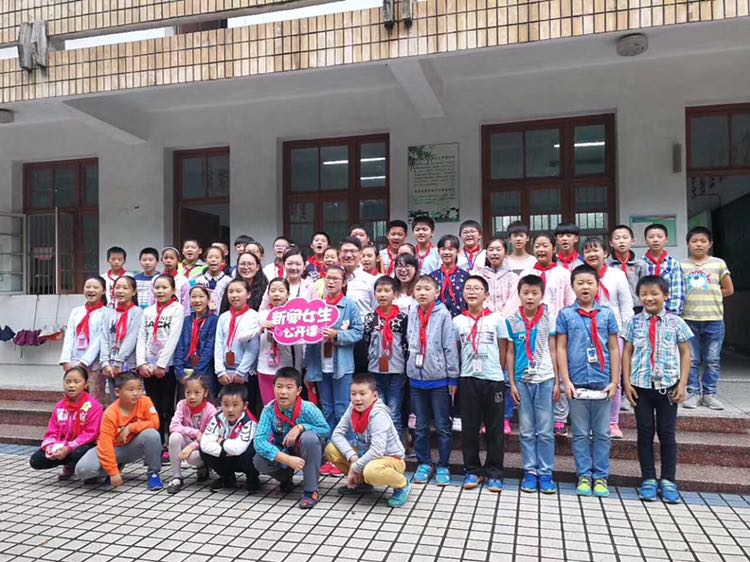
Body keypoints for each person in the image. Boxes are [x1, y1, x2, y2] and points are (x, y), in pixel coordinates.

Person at [622, 275, 693, 504]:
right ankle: (649, 479)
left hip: (668, 387)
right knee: (644, 433)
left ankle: (669, 480)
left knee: (667, 434)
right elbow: (627, 352)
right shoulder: (633, 322)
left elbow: (685, 353)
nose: (649, 298)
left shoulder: (676, 322)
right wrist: (626, 383)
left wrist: (682, 384)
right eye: (644, 294)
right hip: (641, 387)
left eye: (654, 293)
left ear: (666, 296)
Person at [557, 264, 620, 498]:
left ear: (597, 286)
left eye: (590, 283)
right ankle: (584, 475)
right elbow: (561, 348)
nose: (585, 287)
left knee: (602, 433)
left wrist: (615, 381)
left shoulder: (607, 314)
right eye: (580, 283)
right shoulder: (565, 315)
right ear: (572, 286)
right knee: (581, 433)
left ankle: (601, 477)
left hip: (603, 380)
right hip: (577, 381)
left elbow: (614, 348)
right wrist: (566, 381)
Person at [304, 265, 363, 475]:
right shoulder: (317, 306)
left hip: (342, 367)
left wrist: (337, 335)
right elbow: (307, 337)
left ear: (344, 282)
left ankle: (346, 455)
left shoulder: (350, 305)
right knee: (326, 410)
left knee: (343, 409)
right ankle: (329, 456)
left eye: (336, 279)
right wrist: (308, 368)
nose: (331, 282)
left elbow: (358, 332)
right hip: (320, 367)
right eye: (328, 278)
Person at [453, 275, 508, 492]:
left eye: (477, 288)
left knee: (495, 429)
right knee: (469, 428)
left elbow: (503, 348)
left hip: (493, 379)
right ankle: (472, 470)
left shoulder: (497, 319)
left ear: (486, 295)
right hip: (468, 379)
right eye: (468, 288)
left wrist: (498, 370)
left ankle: (494, 472)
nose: (472, 292)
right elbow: (457, 349)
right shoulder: (457, 321)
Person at [325, 373, 411, 508]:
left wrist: (355, 467)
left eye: (362, 394)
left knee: (371, 470)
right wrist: (353, 457)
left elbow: (377, 451)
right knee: (331, 449)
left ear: (374, 395)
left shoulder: (378, 414)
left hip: (391, 459)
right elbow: (337, 434)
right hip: (365, 454)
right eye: (353, 394)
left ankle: (402, 484)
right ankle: (361, 484)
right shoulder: (352, 408)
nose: (357, 399)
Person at [506, 275, 558, 494]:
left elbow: (554, 349)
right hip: (522, 381)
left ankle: (545, 473)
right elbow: (510, 352)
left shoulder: (549, 318)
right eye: (525, 293)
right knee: (526, 430)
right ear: (519, 294)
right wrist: (512, 382)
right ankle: (530, 472)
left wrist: (557, 381)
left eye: (534, 293)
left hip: (545, 379)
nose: (530, 297)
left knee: (545, 430)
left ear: (542, 295)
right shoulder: (512, 320)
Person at [521, 232, 575, 436]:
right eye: (537, 246)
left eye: (545, 245)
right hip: (531, 327)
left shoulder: (563, 273)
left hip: (556, 327)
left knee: (559, 369)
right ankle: (537, 416)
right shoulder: (527, 272)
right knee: (535, 371)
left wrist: (567, 326)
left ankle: (560, 417)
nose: (541, 250)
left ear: (554, 248)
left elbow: (570, 301)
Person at [253, 367, 331, 509]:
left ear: (298, 390)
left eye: (289, 387)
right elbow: (259, 441)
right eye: (279, 386)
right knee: (259, 460)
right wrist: (287, 459)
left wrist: (301, 427)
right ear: (273, 388)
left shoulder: (308, 408)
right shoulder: (269, 410)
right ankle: (285, 477)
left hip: (310, 452)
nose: (283, 392)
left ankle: (311, 490)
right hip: (285, 452)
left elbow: (326, 430)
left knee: (309, 438)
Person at [407, 275, 459, 486]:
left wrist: (453, 377)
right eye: (418, 288)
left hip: (439, 379)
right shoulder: (412, 311)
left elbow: (449, 346)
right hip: (415, 378)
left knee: (442, 425)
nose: (422, 292)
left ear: (436, 292)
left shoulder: (443, 314)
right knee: (420, 425)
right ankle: (424, 463)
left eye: (427, 288)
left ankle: (444, 465)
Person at [75, 372, 163, 491]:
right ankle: (111, 469)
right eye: (131, 389)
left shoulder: (145, 401)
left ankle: (153, 474)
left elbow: (155, 423)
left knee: (152, 435)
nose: (136, 393)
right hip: (114, 448)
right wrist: (113, 472)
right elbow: (105, 444)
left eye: (139, 389)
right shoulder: (110, 413)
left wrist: (131, 427)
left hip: (133, 447)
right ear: (117, 392)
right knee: (83, 470)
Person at [582, 236, 633, 438]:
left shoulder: (617, 275)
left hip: (613, 333)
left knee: (614, 377)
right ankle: (590, 422)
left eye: (596, 250)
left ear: (605, 253)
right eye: (587, 251)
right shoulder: (579, 274)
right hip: (585, 333)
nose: (592, 254)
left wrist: (626, 334)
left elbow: (626, 305)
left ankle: (612, 422)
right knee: (587, 377)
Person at [681, 226, 733, 410]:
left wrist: (713, 295)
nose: (698, 244)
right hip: (688, 319)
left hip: (714, 319)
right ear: (688, 244)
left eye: (703, 241)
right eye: (694, 241)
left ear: (710, 244)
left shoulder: (718, 263)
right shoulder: (681, 265)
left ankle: (709, 394)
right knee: (692, 359)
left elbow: (728, 289)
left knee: (712, 360)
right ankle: (693, 393)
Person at [136, 274, 185, 446]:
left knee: (167, 406)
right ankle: (156, 441)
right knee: (153, 405)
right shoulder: (148, 311)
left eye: (164, 287)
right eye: (157, 288)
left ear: (173, 290)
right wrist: (141, 363)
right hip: (148, 367)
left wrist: (161, 365)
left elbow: (173, 338)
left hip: (166, 366)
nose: (160, 291)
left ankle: (169, 442)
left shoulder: (177, 309)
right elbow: (142, 337)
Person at [30, 366, 103, 480]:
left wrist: (69, 448)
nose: (71, 385)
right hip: (64, 444)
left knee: (78, 453)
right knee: (37, 460)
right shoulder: (60, 406)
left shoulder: (93, 406)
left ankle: (93, 471)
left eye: (76, 382)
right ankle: (69, 464)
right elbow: (53, 431)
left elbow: (90, 434)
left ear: (86, 384)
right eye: (68, 382)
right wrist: (50, 447)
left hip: (87, 445)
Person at [363, 276, 408, 434]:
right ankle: (380, 443)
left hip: (396, 369)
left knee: (394, 411)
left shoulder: (402, 318)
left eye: (387, 291)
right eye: (379, 291)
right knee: (378, 411)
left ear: (395, 294)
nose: (382, 294)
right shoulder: (370, 318)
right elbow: (366, 342)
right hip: (375, 369)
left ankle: (397, 446)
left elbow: (406, 344)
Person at [200, 383, 260, 493]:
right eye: (226, 405)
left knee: (251, 449)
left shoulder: (250, 422)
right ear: (221, 404)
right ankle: (227, 478)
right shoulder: (217, 417)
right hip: (227, 456)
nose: (230, 409)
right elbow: (205, 444)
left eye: (235, 405)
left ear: (245, 405)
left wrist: (221, 441)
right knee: (203, 450)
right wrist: (225, 452)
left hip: (243, 459)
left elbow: (239, 449)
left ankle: (252, 479)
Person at [215, 278, 262, 417]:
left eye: (238, 291)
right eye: (231, 292)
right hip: (225, 372)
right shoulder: (223, 317)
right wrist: (220, 371)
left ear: (248, 294)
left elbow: (253, 347)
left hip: (245, 373)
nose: (234, 295)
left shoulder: (254, 316)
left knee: (247, 409)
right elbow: (218, 345)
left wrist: (241, 372)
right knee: (227, 409)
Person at [59, 275, 108, 403]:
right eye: (88, 287)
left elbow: (100, 340)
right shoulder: (76, 311)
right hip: (73, 362)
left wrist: (84, 362)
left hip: (93, 364)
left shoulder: (107, 313)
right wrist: (66, 360)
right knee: (74, 398)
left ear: (103, 291)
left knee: (93, 399)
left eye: (95, 287)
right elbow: (70, 335)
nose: (91, 290)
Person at [167, 373, 218, 494]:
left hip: (202, 445)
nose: (192, 396)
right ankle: (177, 477)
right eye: (188, 392)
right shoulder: (182, 404)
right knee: (174, 437)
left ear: (205, 393)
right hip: (189, 439)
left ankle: (203, 467)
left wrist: (191, 446)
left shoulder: (211, 410)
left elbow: (209, 437)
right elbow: (173, 426)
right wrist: (195, 432)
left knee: (192, 457)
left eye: (197, 392)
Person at [100, 275, 143, 402]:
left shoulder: (137, 312)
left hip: (127, 366)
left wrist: (118, 362)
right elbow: (104, 338)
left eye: (125, 288)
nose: (120, 291)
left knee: (130, 401)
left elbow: (131, 339)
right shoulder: (109, 312)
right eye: (117, 287)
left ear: (134, 292)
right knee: (115, 401)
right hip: (110, 366)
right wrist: (105, 363)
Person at [258, 278, 300, 405]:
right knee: (268, 405)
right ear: (268, 294)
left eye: (281, 291)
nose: (276, 294)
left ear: (288, 294)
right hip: (264, 367)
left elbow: (298, 347)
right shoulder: (261, 315)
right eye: (273, 291)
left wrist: (298, 370)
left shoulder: (293, 315)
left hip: (286, 367)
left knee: (286, 405)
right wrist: (260, 329)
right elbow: (245, 337)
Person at [173, 286, 219, 397]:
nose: (197, 300)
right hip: (185, 372)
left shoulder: (214, 320)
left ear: (208, 299)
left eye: (201, 297)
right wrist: (180, 372)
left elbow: (209, 350)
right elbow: (180, 347)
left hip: (205, 371)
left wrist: (196, 374)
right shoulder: (187, 320)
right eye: (193, 297)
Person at [642, 223, 686, 315]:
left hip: (669, 314)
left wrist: (672, 315)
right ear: (645, 240)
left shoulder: (674, 264)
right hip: (644, 314)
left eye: (659, 236)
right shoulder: (640, 264)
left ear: (666, 239)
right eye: (651, 237)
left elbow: (678, 293)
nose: (655, 240)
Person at [473, 236, 519, 318]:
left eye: (498, 249)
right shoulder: (479, 277)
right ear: (486, 254)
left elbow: (513, 302)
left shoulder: (512, 277)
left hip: (507, 320)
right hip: (484, 320)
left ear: (506, 253)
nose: (494, 253)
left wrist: (501, 319)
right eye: (491, 250)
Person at [608, 225, 647, 310]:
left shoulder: (640, 264)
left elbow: (645, 287)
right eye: (617, 238)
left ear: (632, 241)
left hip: (637, 306)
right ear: (611, 243)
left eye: (625, 237)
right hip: (615, 306)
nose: (621, 241)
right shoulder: (607, 265)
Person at [430, 234, 470, 318]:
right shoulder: (432, 276)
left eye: (451, 249)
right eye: (443, 249)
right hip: (436, 319)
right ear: (438, 251)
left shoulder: (465, 276)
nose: (447, 252)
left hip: (460, 318)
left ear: (457, 251)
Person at [196, 246, 231, 312]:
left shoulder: (228, 281)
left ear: (223, 261)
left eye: (217, 257)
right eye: (210, 257)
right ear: (205, 261)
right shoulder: (199, 280)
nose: (213, 260)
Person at [159, 246, 191, 315]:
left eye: (172, 258)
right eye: (166, 258)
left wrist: (186, 317)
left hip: (177, 315)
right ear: (161, 259)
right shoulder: (156, 279)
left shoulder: (183, 281)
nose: (168, 261)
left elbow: (186, 304)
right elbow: (152, 301)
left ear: (178, 261)